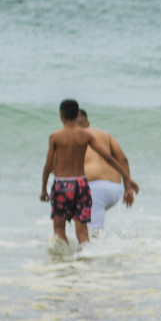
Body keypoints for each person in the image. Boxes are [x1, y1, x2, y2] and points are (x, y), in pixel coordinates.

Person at [39, 99, 136, 247]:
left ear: (61, 116)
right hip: (82, 185)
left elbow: (48, 166)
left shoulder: (55, 136)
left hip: (62, 185)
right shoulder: (88, 136)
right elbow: (111, 158)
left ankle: (60, 261)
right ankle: (86, 260)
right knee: (83, 232)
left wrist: (43, 189)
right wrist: (128, 179)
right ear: (78, 114)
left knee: (59, 230)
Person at [76, 109, 136, 233]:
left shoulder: (72, 136)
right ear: (88, 123)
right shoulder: (105, 135)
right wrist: (128, 188)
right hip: (115, 189)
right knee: (92, 227)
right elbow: (123, 160)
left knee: (94, 233)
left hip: (93, 190)